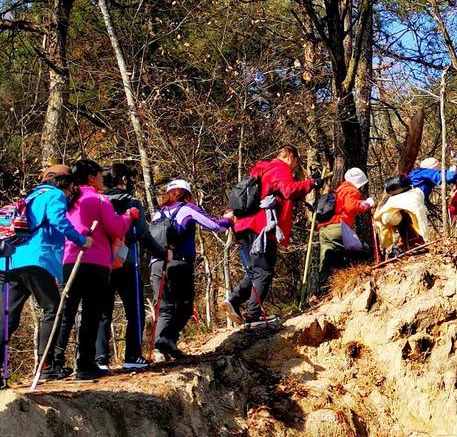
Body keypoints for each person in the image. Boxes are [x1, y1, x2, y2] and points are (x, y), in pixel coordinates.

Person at [0, 164, 89, 390]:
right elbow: (59, 221)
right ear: (66, 183)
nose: (71, 194)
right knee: (52, 308)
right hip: (37, 259)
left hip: (8, 260)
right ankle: (46, 364)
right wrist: (81, 240)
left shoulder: (29, 197)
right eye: (71, 188)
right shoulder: (55, 195)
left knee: (7, 316)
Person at [47, 160, 135, 381]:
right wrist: (129, 217)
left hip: (68, 260)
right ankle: (85, 364)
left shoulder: (68, 200)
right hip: (95, 261)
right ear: (90, 177)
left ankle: (54, 362)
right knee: (90, 313)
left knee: (66, 312)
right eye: (99, 174)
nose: (103, 178)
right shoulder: (98, 199)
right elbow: (116, 227)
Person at [146, 179, 232, 362]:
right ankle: (166, 339)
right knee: (185, 307)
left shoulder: (157, 214)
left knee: (164, 308)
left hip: (156, 263)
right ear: (186, 194)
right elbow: (216, 226)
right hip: (179, 263)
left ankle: (162, 349)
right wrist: (228, 220)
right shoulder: (187, 208)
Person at [227, 146, 314, 325]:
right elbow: (289, 190)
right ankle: (253, 315)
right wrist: (310, 183)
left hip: (242, 227)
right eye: (296, 161)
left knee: (254, 272)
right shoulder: (280, 168)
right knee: (264, 272)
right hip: (261, 229)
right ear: (290, 157)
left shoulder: (261, 170)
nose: (295, 165)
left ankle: (233, 301)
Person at [98, 162, 158, 372]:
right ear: (123, 179)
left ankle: (100, 358)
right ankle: (132, 355)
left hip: (101, 262)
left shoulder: (99, 201)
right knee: (134, 309)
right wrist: (161, 253)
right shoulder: (131, 202)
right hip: (127, 262)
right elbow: (142, 233)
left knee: (102, 311)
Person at [314, 166, 372, 291]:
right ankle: (356, 280)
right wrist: (367, 204)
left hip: (324, 230)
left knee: (327, 261)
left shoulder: (337, 191)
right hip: (338, 227)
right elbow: (351, 206)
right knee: (359, 250)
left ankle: (324, 290)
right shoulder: (350, 190)